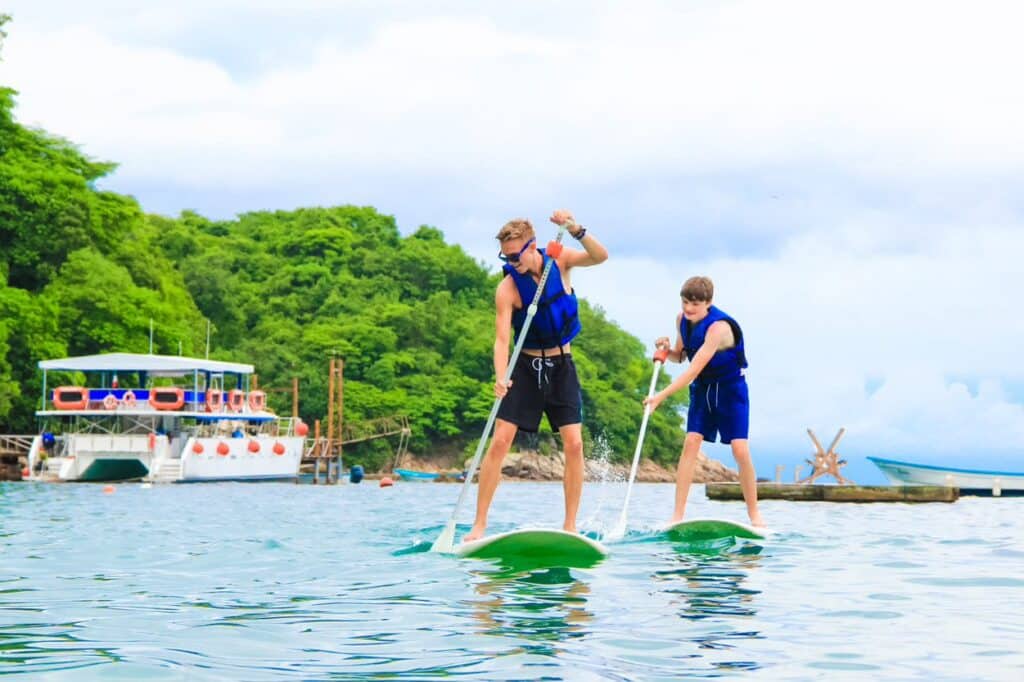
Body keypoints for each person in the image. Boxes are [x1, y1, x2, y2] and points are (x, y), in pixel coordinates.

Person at [463, 210, 609, 542]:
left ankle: (570, 526)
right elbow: (501, 340)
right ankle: (479, 525)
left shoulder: (560, 262)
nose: (512, 262)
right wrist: (501, 376)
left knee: (574, 445)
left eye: (516, 255)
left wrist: (575, 229)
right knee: (500, 441)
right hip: (525, 369)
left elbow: (600, 256)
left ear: (533, 246)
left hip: (561, 367)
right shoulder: (507, 289)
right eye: (506, 257)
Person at [643, 276, 764, 527]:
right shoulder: (682, 320)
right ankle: (677, 516)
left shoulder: (718, 329)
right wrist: (667, 350)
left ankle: (755, 516)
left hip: (731, 390)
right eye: (685, 302)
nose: (688, 309)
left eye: (695, 305)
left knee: (740, 449)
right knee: (691, 442)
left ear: (708, 303)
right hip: (703, 389)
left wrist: (659, 398)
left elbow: (692, 370)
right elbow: (682, 357)